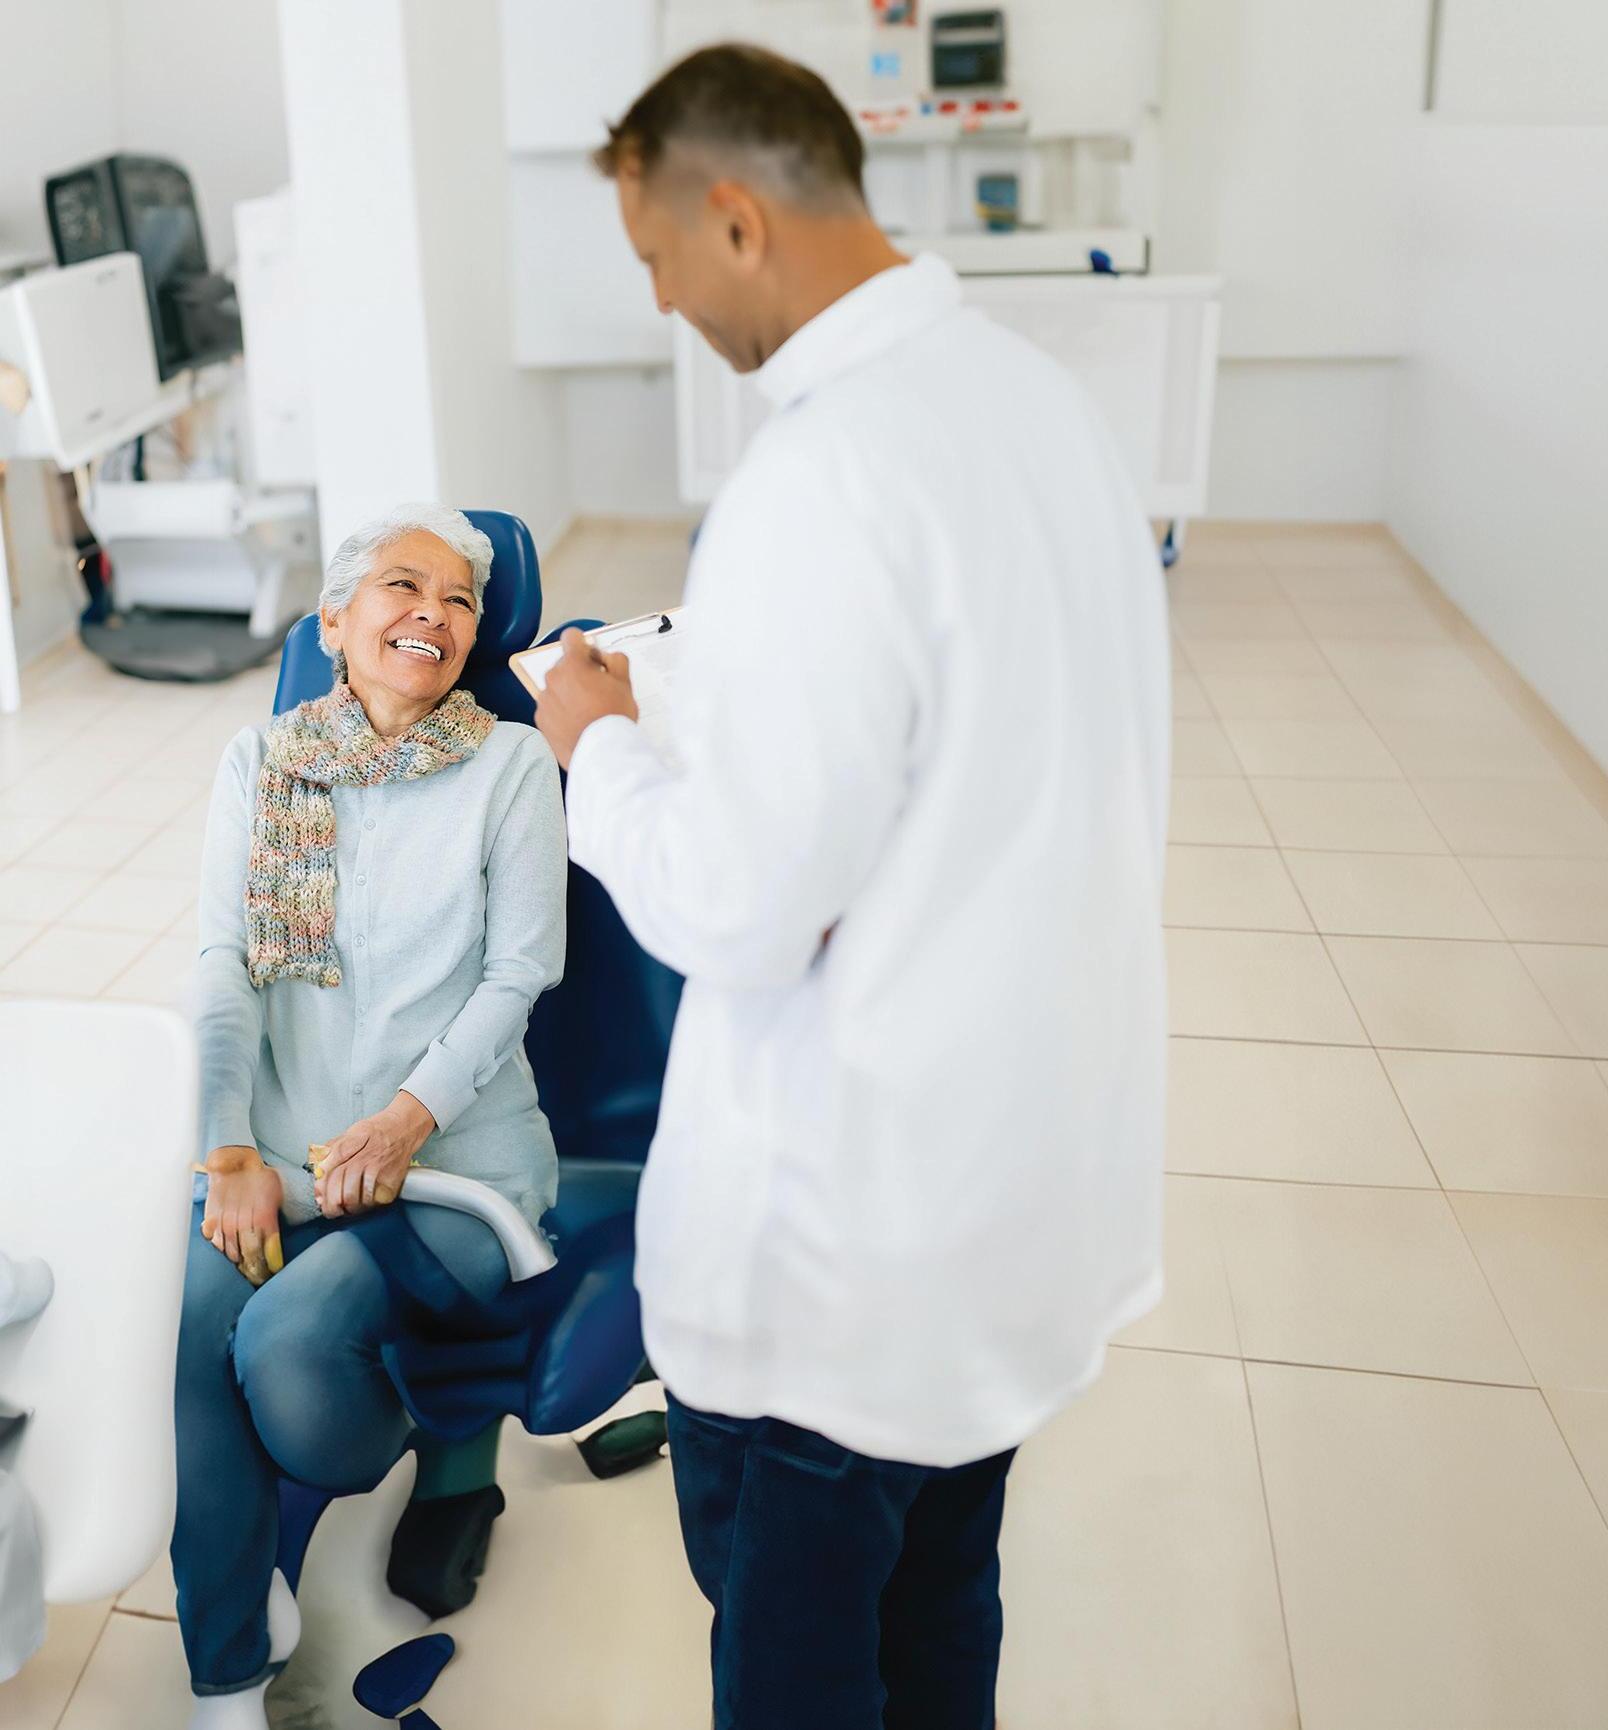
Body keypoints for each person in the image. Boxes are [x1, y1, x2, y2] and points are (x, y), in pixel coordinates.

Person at [534, 44, 1170, 1730]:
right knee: (941, 1618)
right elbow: (967, 743)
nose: (663, 303)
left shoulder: (818, 476)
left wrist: (601, 745)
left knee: (804, 1673)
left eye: (659, 257)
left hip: (850, 1265)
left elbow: (739, 908)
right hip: (1010, 1203)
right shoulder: (1037, 406)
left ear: (735, 219)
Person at [174, 504, 566, 1730]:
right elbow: (225, 965)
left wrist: (402, 1123)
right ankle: (229, 1676)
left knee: (287, 1349)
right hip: (282, 1156)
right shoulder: (265, 760)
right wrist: (228, 1144)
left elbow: (522, 972)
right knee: (186, 1327)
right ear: (334, 621)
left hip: (455, 1167)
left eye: (459, 601)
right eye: (404, 586)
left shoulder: (510, 765)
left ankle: (426, 1435)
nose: (434, 615)